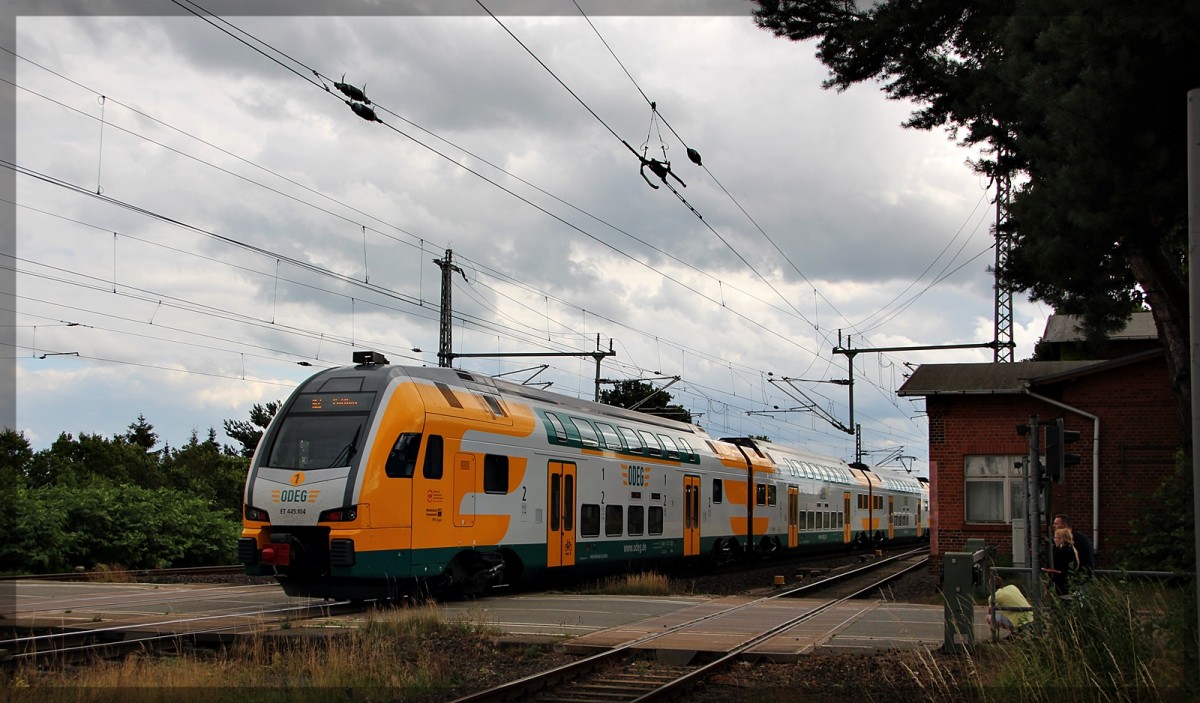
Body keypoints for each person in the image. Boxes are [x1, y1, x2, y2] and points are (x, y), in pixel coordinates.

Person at [1048, 527, 1080, 596]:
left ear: (1061, 539)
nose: (1054, 540)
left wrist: (1049, 586)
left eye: (1055, 537)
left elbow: (1056, 571)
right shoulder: (1072, 550)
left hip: (1061, 584)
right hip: (1070, 583)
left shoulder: (1061, 553)